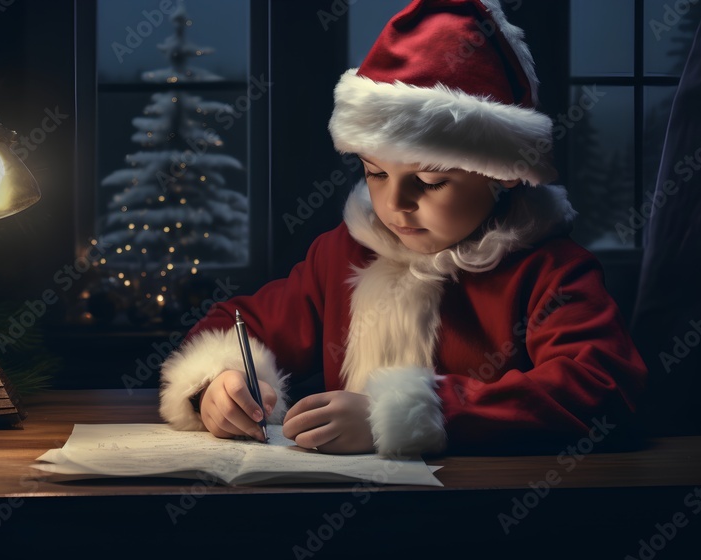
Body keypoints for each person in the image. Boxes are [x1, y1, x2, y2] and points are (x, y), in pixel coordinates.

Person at [158, 0, 647, 456]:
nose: (395, 203)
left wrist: (410, 416)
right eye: (375, 173)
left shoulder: (551, 273)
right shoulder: (343, 256)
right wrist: (217, 385)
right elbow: (236, 323)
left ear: (501, 177)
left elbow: (601, 390)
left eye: (431, 181)